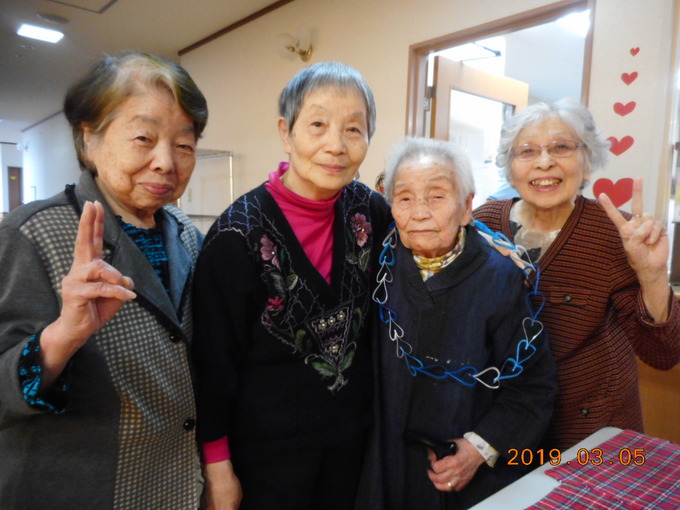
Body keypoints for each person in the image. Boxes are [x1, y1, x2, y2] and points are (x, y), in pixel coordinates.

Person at [0, 51, 208, 509]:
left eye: (184, 144)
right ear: (89, 138)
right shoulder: (31, 233)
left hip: (176, 487)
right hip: (81, 490)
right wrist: (61, 337)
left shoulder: (190, 236)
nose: (165, 162)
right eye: (143, 137)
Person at [192, 62, 391, 510]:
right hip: (266, 458)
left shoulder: (371, 211)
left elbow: (426, 247)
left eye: (354, 129)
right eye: (317, 124)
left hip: (352, 442)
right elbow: (213, 365)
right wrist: (218, 470)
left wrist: (481, 238)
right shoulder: (235, 237)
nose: (335, 146)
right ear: (287, 132)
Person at [356, 137, 557, 510]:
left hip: (463, 476)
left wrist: (479, 449)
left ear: (466, 207)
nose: (418, 213)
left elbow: (533, 388)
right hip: (384, 465)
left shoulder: (501, 278)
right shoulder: (374, 264)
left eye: (436, 197)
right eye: (404, 198)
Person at [474, 98, 680, 451]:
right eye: (527, 151)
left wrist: (652, 275)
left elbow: (663, 355)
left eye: (562, 147)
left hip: (592, 436)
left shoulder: (619, 233)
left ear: (587, 163)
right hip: (504, 429)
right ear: (510, 169)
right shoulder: (482, 224)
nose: (544, 161)